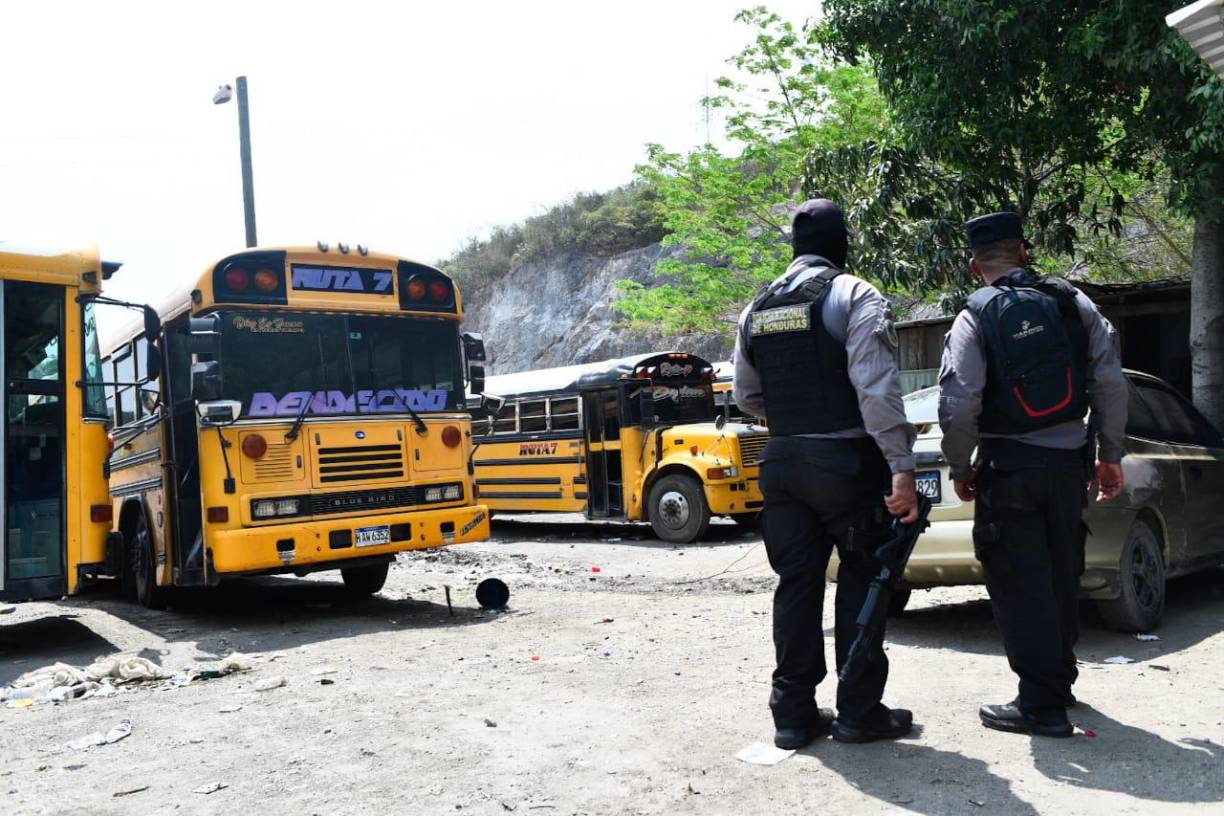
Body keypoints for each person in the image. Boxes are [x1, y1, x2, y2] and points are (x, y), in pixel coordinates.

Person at [733, 198, 919, 749]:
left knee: (796, 586)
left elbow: (746, 395)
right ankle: (859, 712)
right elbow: (877, 392)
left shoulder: (756, 308)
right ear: (842, 244)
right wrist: (901, 468)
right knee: (863, 578)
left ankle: (792, 716)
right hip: (844, 465)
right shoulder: (854, 294)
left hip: (781, 464)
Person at [938, 212, 1127, 738]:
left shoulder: (974, 315)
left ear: (976, 266)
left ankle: (1039, 705)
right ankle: (1059, 683)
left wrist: (960, 465)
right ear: (1023, 250)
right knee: (1061, 571)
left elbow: (957, 402)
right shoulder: (1074, 303)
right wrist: (1110, 454)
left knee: (1019, 582)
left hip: (1009, 468)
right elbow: (1110, 382)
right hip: (1070, 467)